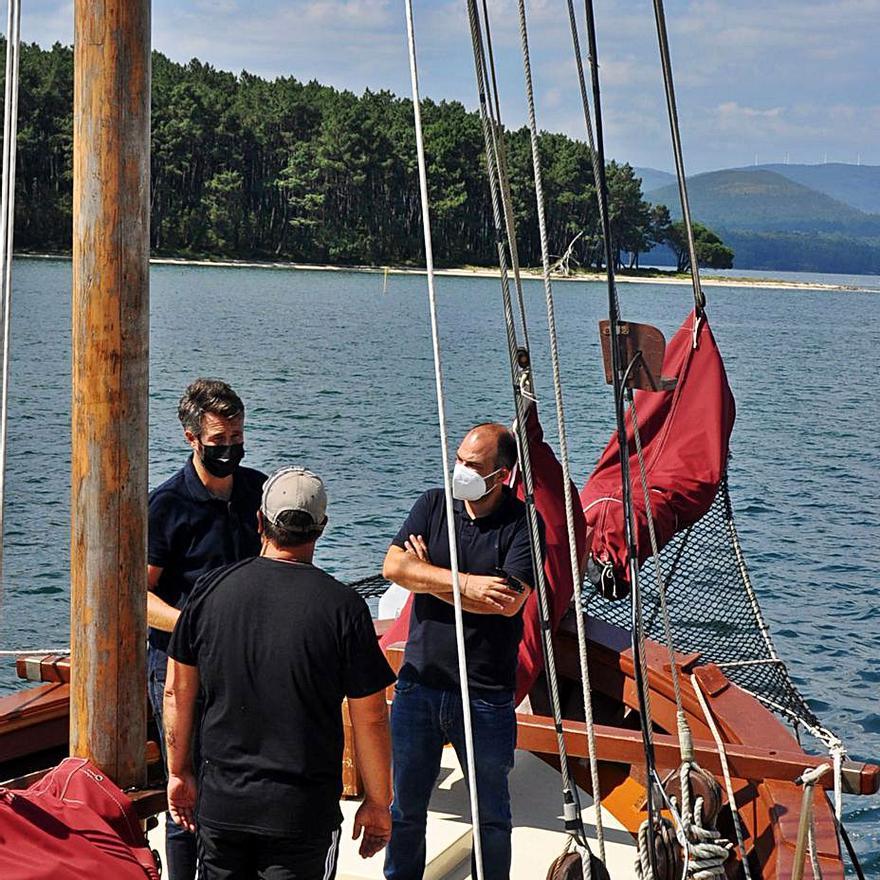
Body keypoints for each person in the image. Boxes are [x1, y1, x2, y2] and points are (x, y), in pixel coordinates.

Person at [164, 466, 396, 880]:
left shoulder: (209, 592)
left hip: (223, 806)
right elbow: (371, 716)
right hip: (301, 813)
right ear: (320, 529)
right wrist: (378, 801)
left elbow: (177, 693)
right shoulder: (344, 609)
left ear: (259, 522)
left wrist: (178, 772)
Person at [382, 423, 536, 880]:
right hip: (419, 685)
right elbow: (393, 566)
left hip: (485, 695)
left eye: (473, 465)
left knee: (491, 816)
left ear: (501, 475)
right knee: (405, 809)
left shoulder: (522, 522)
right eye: (460, 460)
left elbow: (507, 601)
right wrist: (466, 583)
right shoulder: (433, 505)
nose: (461, 470)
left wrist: (426, 572)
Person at [147, 378, 266, 880]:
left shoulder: (258, 490)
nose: (230, 451)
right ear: (191, 438)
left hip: (247, 663)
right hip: (181, 668)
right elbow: (137, 596)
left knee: (248, 784)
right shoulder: (166, 506)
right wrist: (198, 628)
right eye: (219, 443)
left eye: (237, 440)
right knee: (187, 791)